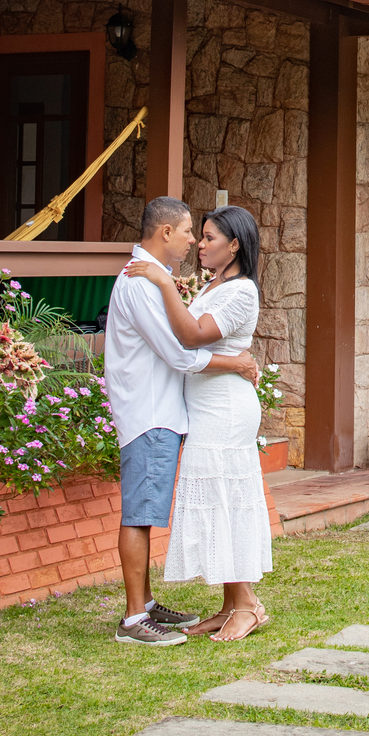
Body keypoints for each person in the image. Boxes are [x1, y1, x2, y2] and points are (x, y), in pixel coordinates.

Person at [104, 195, 258, 648]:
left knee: (154, 508)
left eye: (205, 235)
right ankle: (135, 619)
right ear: (165, 232)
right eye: (192, 231)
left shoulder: (159, 281)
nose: (194, 240)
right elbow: (179, 350)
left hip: (170, 412)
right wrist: (235, 363)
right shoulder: (140, 282)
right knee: (140, 512)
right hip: (150, 413)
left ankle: (150, 607)